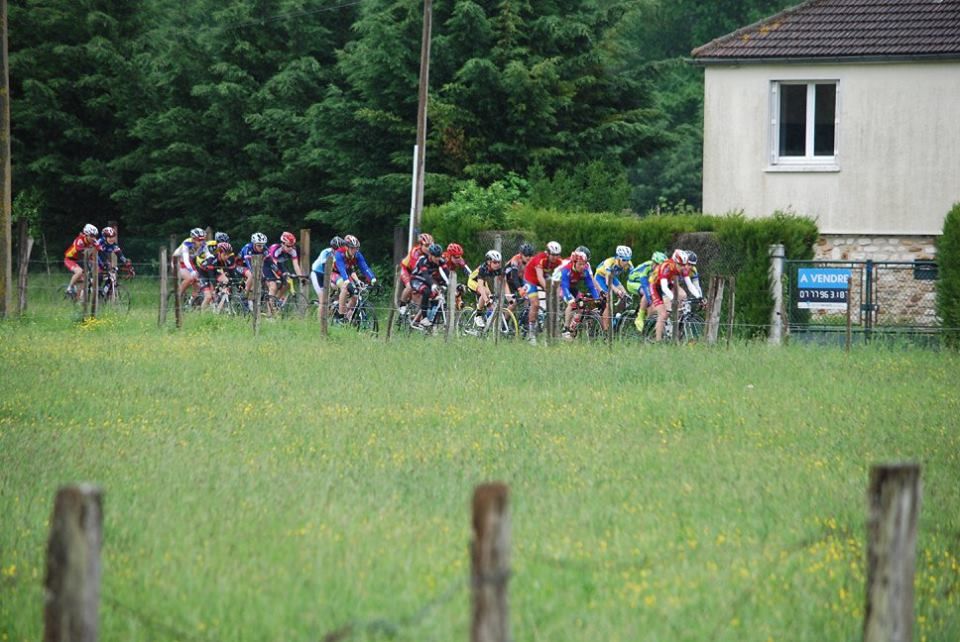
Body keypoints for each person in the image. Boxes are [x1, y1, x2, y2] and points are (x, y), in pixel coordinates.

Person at [649, 249, 701, 341]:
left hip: (669, 284)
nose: (683, 267)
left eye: (684, 265)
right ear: (674, 262)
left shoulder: (683, 268)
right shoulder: (666, 267)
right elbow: (664, 288)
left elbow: (690, 285)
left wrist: (699, 297)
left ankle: (675, 330)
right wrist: (673, 299)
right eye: (680, 265)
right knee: (663, 314)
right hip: (656, 286)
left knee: (683, 296)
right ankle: (658, 341)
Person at [521, 241, 564, 342]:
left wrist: (559, 292)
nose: (555, 257)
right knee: (535, 304)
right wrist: (548, 290)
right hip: (530, 278)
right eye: (553, 255)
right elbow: (540, 278)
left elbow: (560, 277)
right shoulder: (541, 258)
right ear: (548, 253)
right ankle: (531, 334)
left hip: (544, 278)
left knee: (557, 297)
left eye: (557, 255)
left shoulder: (558, 261)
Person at [331, 234, 376, 321]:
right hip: (335, 273)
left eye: (356, 248)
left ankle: (347, 318)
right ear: (347, 247)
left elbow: (364, 267)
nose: (354, 250)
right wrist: (347, 282)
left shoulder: (357, 255)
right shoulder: (339, 253)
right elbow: (342, 269)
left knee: (355, 296)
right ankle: (341, 315)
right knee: (345, 287)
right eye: (352, 248)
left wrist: (373, 279)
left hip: (347, 274)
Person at [556, 250, 600, 338]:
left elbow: (591, 286)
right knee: (572, 304)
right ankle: (566, 328)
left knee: (582, 302)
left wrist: (597, 299)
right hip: (561, 286)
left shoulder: (585, 270)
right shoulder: (567, 269)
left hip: (572, 287)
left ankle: (574, 326)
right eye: (580, 264)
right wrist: (570, 299)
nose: (582, 266)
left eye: (584, 264)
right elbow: (564, 287)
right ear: (574, 263)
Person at [593, 245, 633, 330]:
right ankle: (606, 330)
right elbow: (608, 282)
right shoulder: (609, 263)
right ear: (618, 258)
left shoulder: (629, 263)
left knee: (626, 296)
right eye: (624, 260)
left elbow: (633, 276)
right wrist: (617, 291)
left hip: (612, 277)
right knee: (607, 301)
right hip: (601, 278)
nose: (626, 262)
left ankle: (616, 316)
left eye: (628, 259)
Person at [626, 251, 667, 330]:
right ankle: (640, 317)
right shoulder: (647, 268)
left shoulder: (659, 270)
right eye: (659, 265)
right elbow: (645, 286)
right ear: (654, 263)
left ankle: (647, 327)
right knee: (646, 293)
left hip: (646, 283)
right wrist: (652, 302)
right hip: (633, 282)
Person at [408, 242, 446, 328]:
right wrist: (433, 285)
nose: (438, 258)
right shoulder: (423, 260)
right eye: (436, 256)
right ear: (430, 255)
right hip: (416, 279)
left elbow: (446, 273)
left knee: (437, 295)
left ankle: (424, 318)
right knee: (427, 291)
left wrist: (448, 284)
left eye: (439, 256)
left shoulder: (440, 261)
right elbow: (425, 275)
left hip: (427, 280)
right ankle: (424, 318)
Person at [196, 241, 241, 311]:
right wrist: (217, 288)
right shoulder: (212, 260)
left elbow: (232, 274)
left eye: (228, 255)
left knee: (226, 281)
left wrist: (238, 285)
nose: (227, 257)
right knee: (208, 297)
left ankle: (218, 308)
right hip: (204, 274)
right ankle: (202, 315)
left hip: (214, 272)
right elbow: (212, 278)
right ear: (219, 253)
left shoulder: (227, 261)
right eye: (225, 254)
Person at [263, 231, 305, 301]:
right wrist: (279, 277)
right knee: (274, 286)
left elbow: (296, 266)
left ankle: (276, 301)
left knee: (288, 282)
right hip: (268, 265)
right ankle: (270, 307)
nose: (291, 248)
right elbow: (273, 266)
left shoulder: (293, 250)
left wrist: (301, 278)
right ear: (282, 243)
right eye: (288, 246)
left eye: (292, 245)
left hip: (279, 265)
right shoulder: (275, 249)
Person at [398, 232, 434, 313]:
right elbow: (416, 273)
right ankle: (402, 304)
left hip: (418, 272)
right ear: (420, 245)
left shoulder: (431, 253)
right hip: (407, 269)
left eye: (430, 245)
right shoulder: (415, 253)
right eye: (427, 246)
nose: (429, 248)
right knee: (410, 286)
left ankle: (416, 313)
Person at [466, 250, 503, 326]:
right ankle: (478, 315)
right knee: (485, 294)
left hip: (483, 282)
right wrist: (487, 301)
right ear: (489, 262)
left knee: (490, 298)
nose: (497, 264)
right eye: (495, 262)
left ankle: (486, 324)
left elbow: (503, 283)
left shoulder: (498, 270)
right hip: (472, 281)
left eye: (499, 262)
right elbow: (481, 287)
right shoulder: (483, 269)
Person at [64, 224, 100, 297]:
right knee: (79, 271)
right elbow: (81, 252)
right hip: (70, 259)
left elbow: (100, 249)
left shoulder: (94, 241)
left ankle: (79, 298)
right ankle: (69, 288)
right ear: (86, 234)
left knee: (86, 279)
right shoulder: (79, 240)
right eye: (91, 236)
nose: (93, 238)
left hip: (80, 260)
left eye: (95, 236)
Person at [172, 228, 207, 298]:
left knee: (198, 284)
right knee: (189, 278)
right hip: (178, 261)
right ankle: (178, 297)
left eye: (203, 239)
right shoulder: (187, 243)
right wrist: (191, 271)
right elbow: (186, 260)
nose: (201, 242)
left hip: (189, 262)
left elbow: (208, 255)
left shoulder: (203, 245)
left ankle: (192, 302)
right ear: (193, 239)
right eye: (199, 240)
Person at [310, 236, 344, 301]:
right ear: (333, 248)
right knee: (323, 299)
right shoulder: (326, 252)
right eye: (338, 250)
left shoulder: (341, 254)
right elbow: (325, 267)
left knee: (337, 288)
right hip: (317, 274)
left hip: (329, 274)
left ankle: (334, 305)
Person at [503, 243, 534, 309]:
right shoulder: (515, 259)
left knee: (529, 298)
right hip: (505, 279)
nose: (528, 257)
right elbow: (514, 276)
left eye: (530, 255)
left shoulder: (532, 260)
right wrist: (520, 289)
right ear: (521, 254)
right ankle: (504, 319)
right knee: (512, 303)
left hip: (518, 279)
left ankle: (525, 315)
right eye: (526, 255)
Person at [237, 232, 268, 298]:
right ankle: (245, 295)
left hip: (254, 264)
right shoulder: (248, 248)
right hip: (241, 265)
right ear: (254, 244)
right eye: (259, 245)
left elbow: (268, 261)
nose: (261, 247)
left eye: (263, 245)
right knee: (251, 275)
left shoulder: (264, 248)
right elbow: (248, 263)